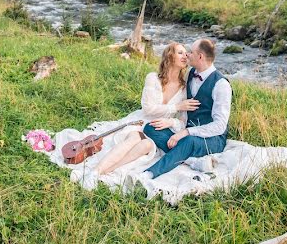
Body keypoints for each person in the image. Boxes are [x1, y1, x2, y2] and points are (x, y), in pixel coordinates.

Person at [83, 42, 199, 184]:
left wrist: (170, 121)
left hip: (158, 128)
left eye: (186, 53)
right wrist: (176, 107)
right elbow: (148, 108)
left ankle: (104, 172)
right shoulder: (153, 78)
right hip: (142, 121)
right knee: (134, 138)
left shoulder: (184, 88)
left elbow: (182, 121)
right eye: (180, 52)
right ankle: (95, 171)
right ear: (169, 56)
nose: (185, 55)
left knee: (146, 146)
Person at [141, 38, 231, 179]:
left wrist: (186, 132)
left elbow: (220, 126)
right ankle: (191, 161)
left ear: (200, 56)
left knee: (187, 141)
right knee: (150, 127)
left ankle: (149, 174)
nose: (187, 55)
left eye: (190, 52)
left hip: (212, 138)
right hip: (187, 131)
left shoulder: (221, 85)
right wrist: (176, 126)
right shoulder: (190, 74)